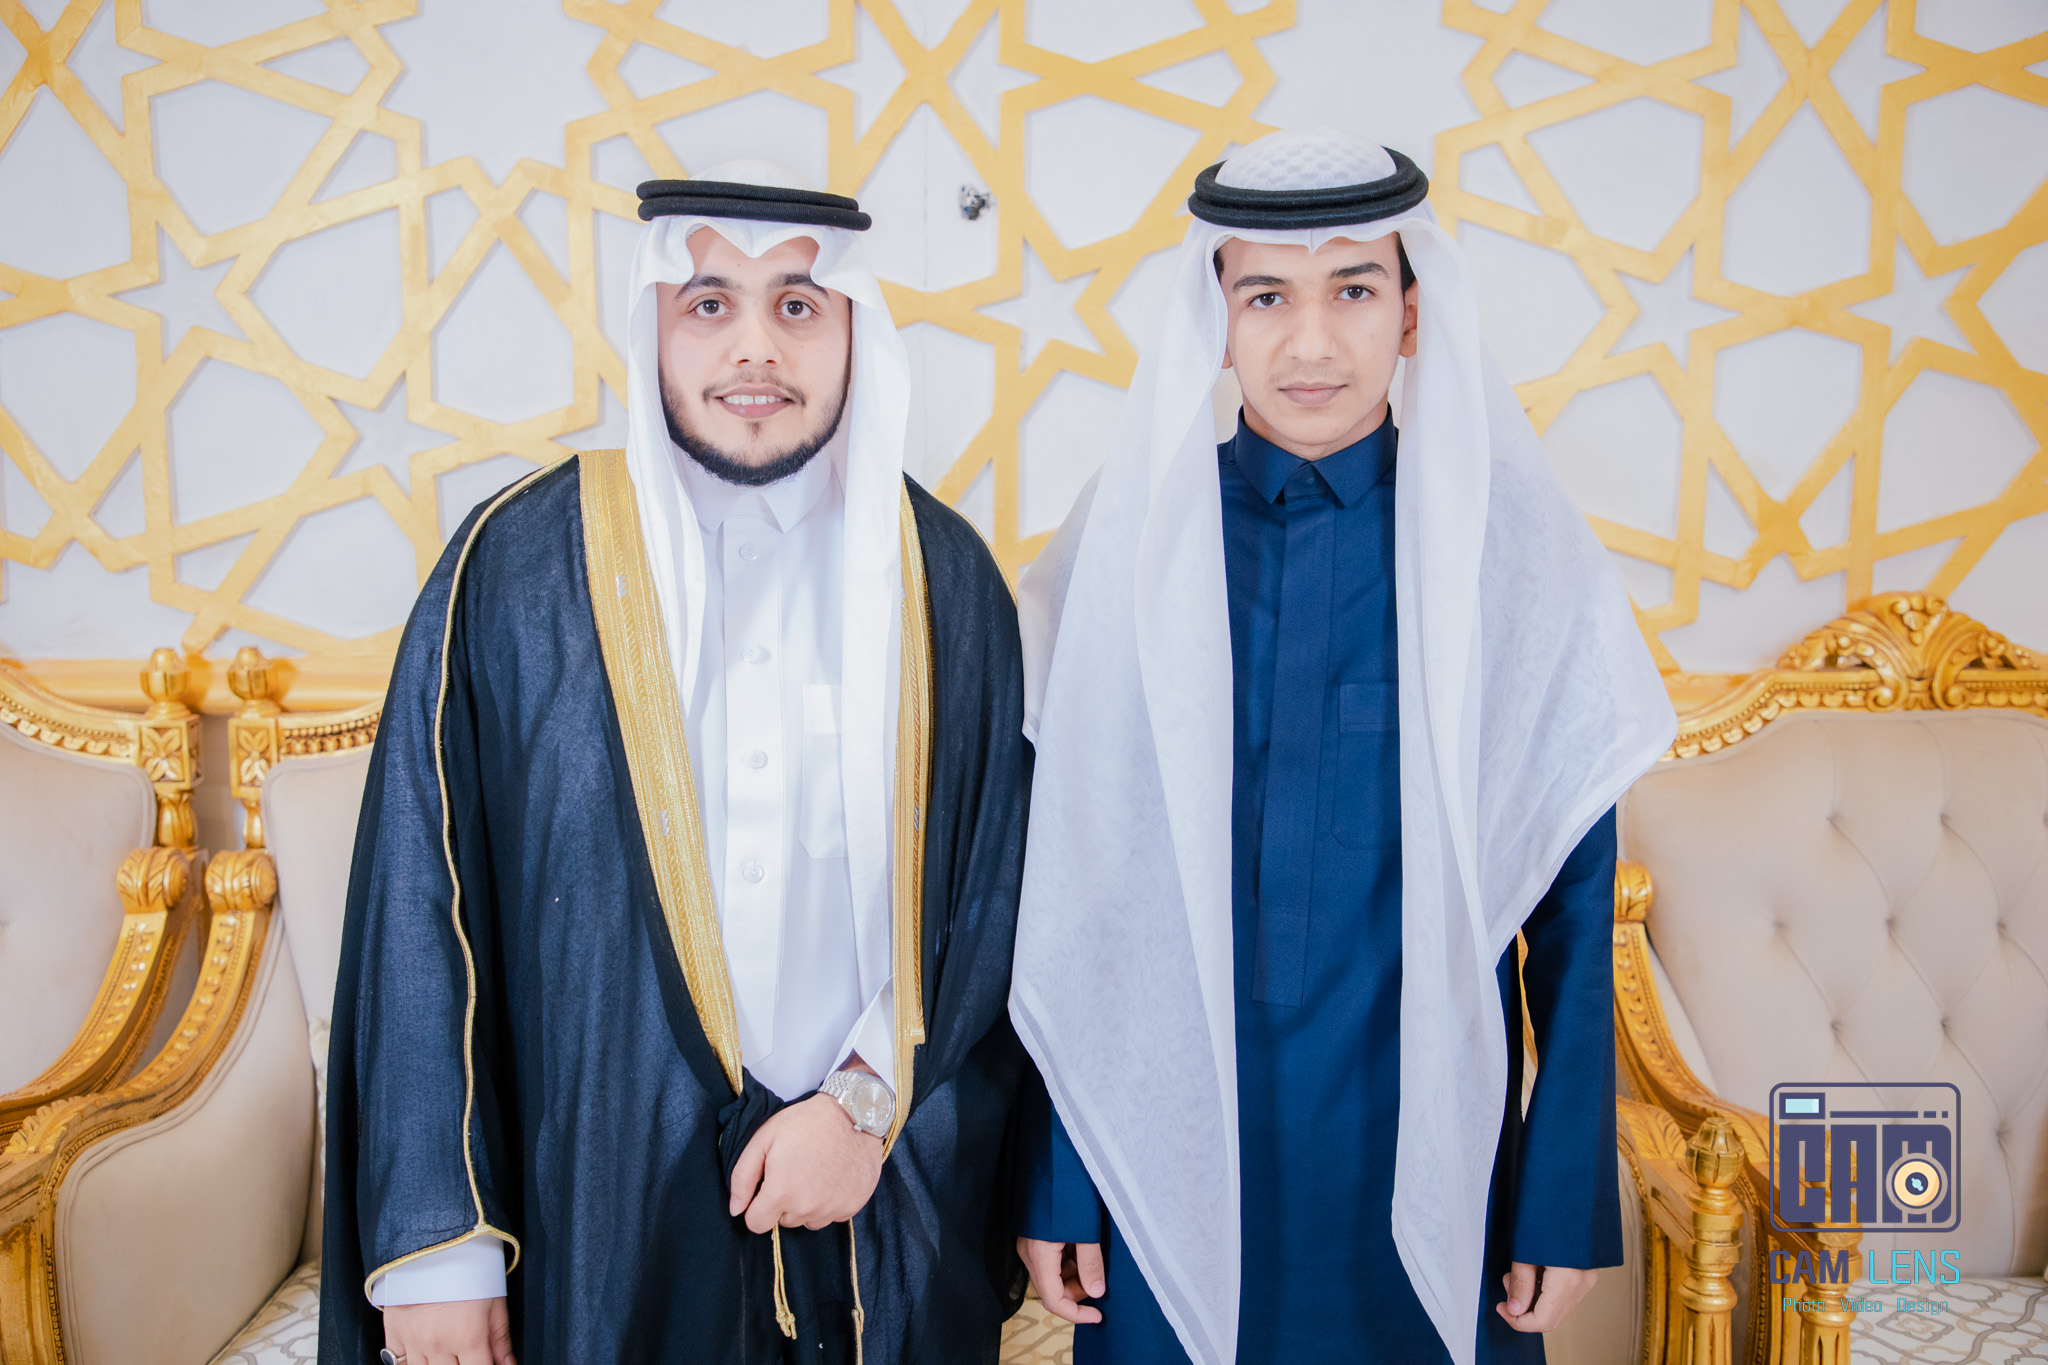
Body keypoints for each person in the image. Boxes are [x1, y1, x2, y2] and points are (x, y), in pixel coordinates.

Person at [319, 162, 1031, 1365]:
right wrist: (443, 1247)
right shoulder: (517, 569)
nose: (755, 347)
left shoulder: (944, 581)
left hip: (874, 1204)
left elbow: (993, 902)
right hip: (597, 1214)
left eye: (796, 305)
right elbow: (420, 906)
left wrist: (865, 1107)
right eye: (709, 304)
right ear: (650, 321)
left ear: (852, 328)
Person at [1008, 127, 1676, 1365]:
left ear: (1411, 315)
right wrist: (1059, 1175)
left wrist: (1560, 1197)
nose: (1309, 343)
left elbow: (1575, 916)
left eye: (1353, 291)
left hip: (1426, 1146)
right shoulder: (1130, 551)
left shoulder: (1509, 558)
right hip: (1169, 1147)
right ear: (1215, 317)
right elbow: (1075, 892)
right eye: (1266, 296)